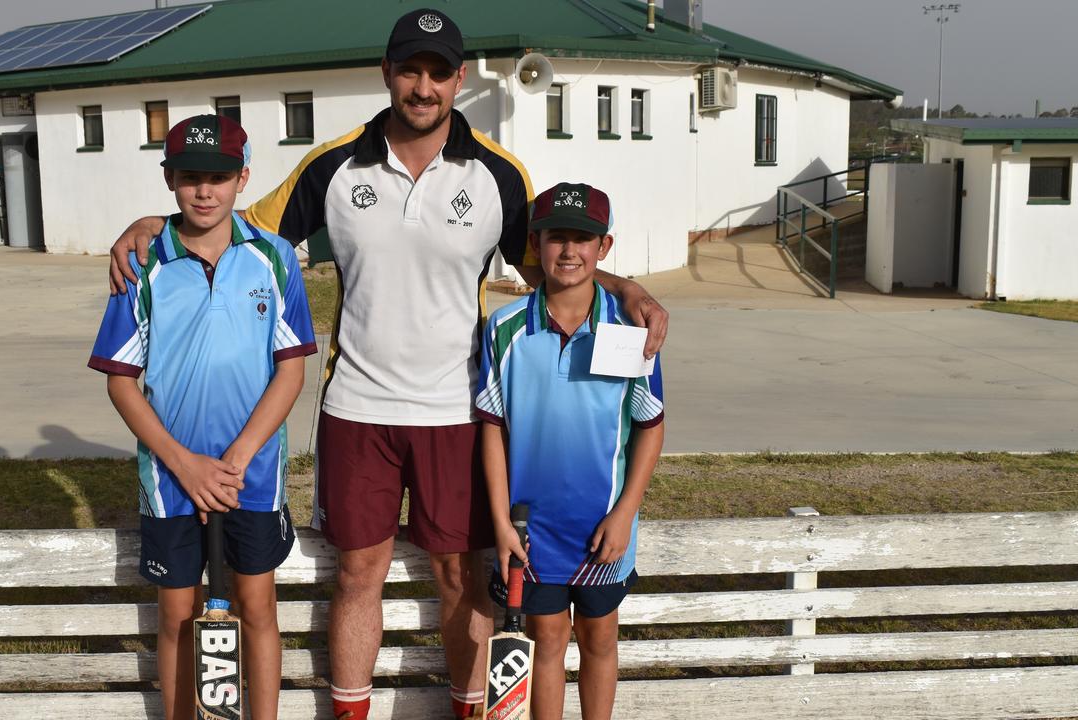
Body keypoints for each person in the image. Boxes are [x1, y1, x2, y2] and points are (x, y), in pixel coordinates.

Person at [106, 10, 669, 719]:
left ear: (459, 79)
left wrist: (627, 288)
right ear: (387, 72)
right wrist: (155, 222)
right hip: (358, 409)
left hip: (457, 409)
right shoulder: (334, 166)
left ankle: (470, 709)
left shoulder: (498, 173)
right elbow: (236, 226)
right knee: (359, 571)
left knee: (459, 574)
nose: (424, 85)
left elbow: (558, 265)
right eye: (410, 69)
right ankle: (351, 711)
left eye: (439, 72)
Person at [88, 114, 316, 720]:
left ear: (243, 178)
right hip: (172, 477)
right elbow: (121, 381)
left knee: (257, 606)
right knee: (178, 615)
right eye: (191, 177)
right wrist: (186, 466)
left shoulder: (274, 259)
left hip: (254, 474)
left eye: (219, 177)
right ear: (169, 179)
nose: (205, 191)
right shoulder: (142, 263)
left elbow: (290, 370)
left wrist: (237, 460)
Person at [476, 183, 665, 720]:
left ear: (604, 248)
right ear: (535, 244)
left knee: (600, 640)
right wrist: (500, 522)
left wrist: (625, 515)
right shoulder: (505, 330)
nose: (569, 251)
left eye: (583, 239)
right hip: (532, 530)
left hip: (603, 528)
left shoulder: (630, 332)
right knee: (547, 641)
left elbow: (651, 427)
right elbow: (493, 429)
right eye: (556, 237)